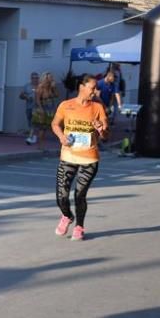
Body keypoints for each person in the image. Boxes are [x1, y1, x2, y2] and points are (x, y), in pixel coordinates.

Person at [51, 74, 108, 241]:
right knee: (61, 196)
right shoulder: (66, 105)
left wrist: (101, 130)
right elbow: (55, 124)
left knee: (79, 195)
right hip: (68, 156)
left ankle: (79, 226)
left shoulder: (97, 107)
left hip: (89, 159)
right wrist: (61, 136)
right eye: (92, 88)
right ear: (82, 88)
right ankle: (67, 216)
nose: (95, 91)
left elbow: (106, 136)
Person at [30, 71, 60, 146]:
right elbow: (37, 99)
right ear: (45, 78)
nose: (51, 78)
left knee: (47, 127)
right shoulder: (41, 87)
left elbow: (57, 95)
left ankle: (41, 144)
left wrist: (54, 87)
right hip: (43, 108)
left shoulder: (51, 87)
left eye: (51, 77)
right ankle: (40, 145)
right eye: (50, 77)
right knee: (42, 128)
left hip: (50, 109)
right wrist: (41, 109)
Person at [21, 72, 40, 143]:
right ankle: (34, 136)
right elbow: (21, 95)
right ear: (31, 79)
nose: (35, 79)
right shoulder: (27, 86)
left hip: (37, 108)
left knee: (33, 122)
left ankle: (30, 137)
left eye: (36, 78)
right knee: (30, 121)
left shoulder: (41, 86)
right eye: (33, 78)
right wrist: (27, 97)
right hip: (29, 106)